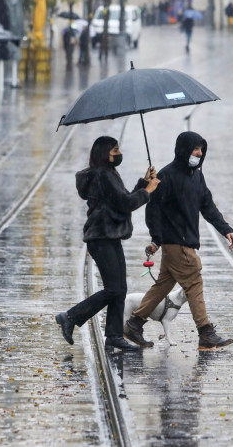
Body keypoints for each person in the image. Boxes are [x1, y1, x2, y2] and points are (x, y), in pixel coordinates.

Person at [124, 131, 233, 350]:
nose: (199, 153)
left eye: (202, 149)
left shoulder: (197, 176)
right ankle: (206, 332)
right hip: (177, 242)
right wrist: (156, 239)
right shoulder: (166, 176)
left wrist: (226, 229)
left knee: (163, 285)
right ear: (184, 149)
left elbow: (208, 206)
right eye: (196, 149)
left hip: (182, 242)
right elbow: (153, 209)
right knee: (194, 283)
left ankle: (134, 323)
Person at [55, 136, 160, 351]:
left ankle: (113, 336)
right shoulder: (104, 174)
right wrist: (148, 191)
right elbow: (127, 203)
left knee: (120, 289)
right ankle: (70, 316)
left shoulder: (106, 173)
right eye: (115, 150)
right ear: (105, 153)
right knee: (113, 289)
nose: (118, 153)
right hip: (102, 237)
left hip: (108, 236)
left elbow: (119, 200)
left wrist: (142, 182)